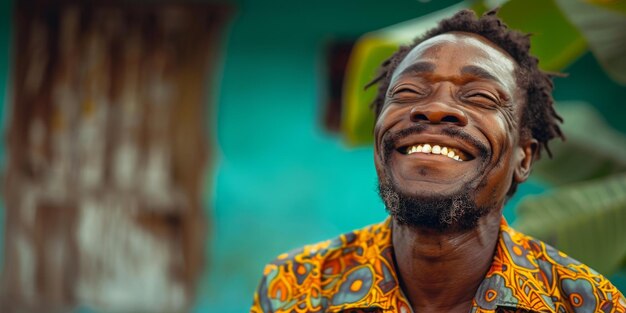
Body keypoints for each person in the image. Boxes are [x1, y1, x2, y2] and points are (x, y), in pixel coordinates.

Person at [250, 9, 626, 313]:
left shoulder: (588, 304)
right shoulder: (296, 288)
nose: (435, 108)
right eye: (409, 91)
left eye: (479, 96)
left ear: (523, 158)